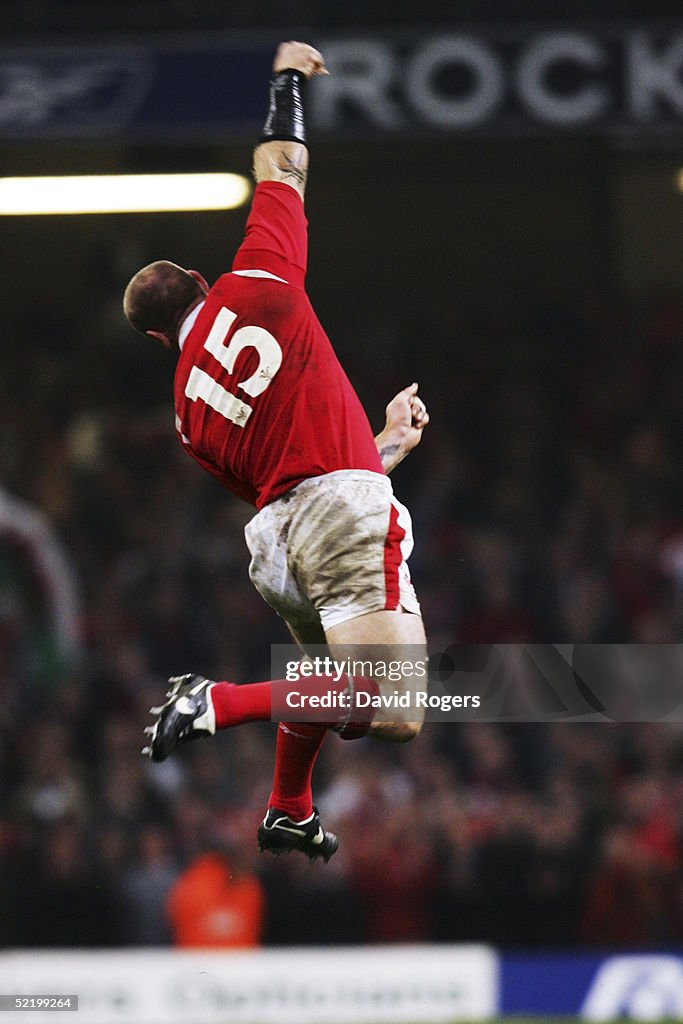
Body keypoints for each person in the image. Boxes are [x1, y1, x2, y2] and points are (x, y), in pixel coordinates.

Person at [123, 41, 429, 862]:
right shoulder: (255, 277)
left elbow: (287, 477)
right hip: (334, 511)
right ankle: (217, 703)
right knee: (394, 709)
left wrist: (382, 448)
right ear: (198, 276)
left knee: (336, 693)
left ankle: (289, 804)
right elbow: (282, 167)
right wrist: (286, 79)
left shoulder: (187, 414)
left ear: (160, 338)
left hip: (275, 543)